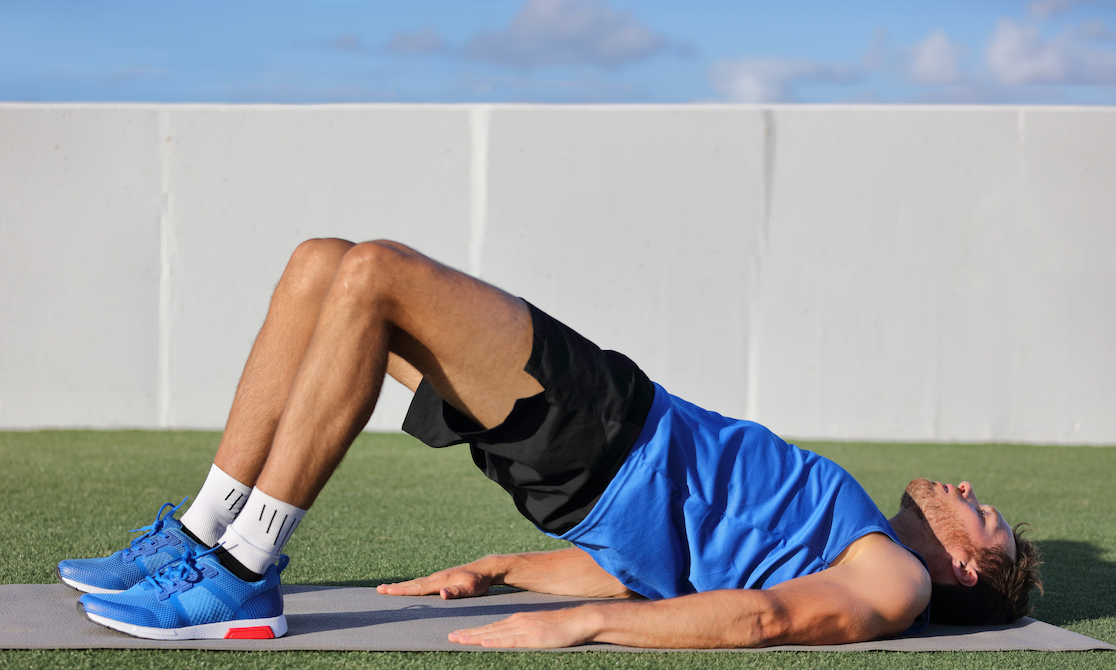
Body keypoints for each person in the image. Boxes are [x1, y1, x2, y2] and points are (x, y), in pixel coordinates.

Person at [58, 239, 1042, 647]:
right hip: (600, 461)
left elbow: (761, 618)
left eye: (982, 513)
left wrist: (580, 626)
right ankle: (204, 531)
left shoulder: (897, 583)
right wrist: (508, 567)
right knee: (325, 266)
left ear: (965, 564)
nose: (965, 487)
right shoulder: (854, 528)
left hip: (614, 431)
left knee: (374, 275)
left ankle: (240, 566)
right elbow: (670, 571)